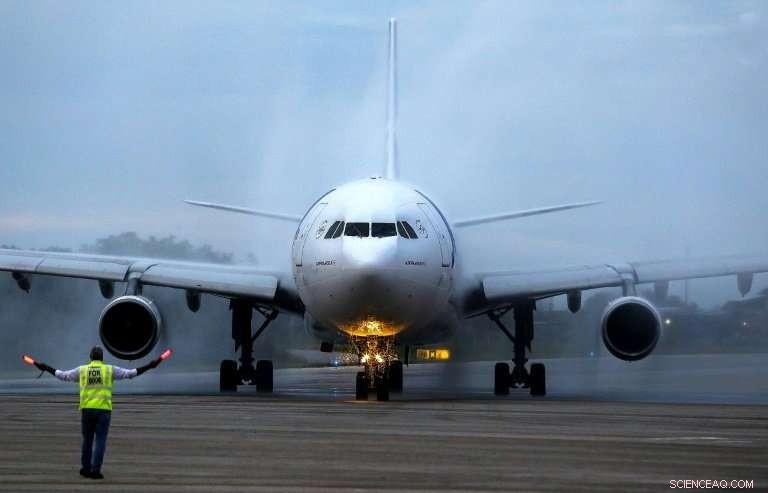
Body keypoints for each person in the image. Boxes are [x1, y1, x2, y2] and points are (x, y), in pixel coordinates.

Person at [34, 346, 164, 480]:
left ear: (90, 358)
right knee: (100, 440)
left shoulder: (82, 370)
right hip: (104, 410)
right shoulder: (109, 370)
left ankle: (85, 468)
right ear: (102, 358)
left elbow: (63, 376)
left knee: (87, 440)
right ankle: (96, 470)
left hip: (87, 410)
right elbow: (131, 373)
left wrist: (46, 368)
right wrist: (149, 366)